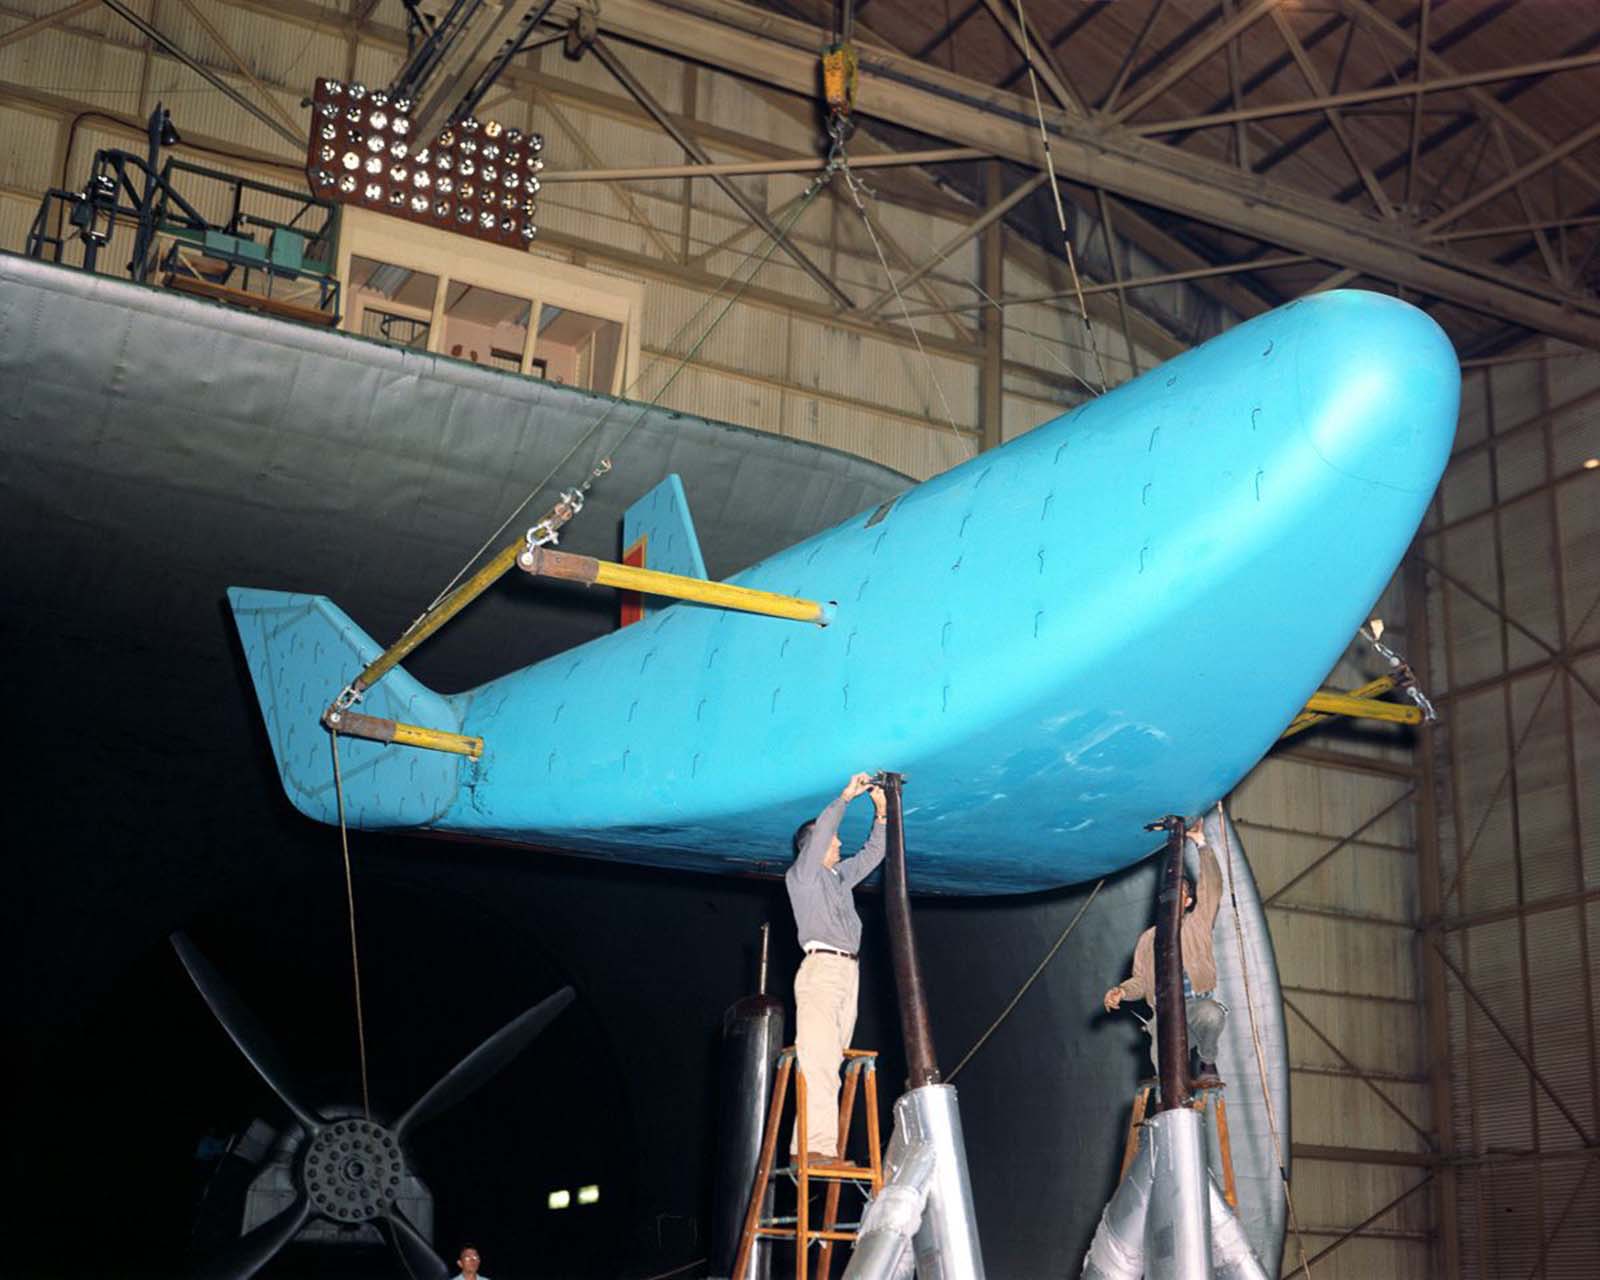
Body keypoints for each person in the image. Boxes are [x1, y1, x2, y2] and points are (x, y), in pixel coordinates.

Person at [785, 771, 887, 1168]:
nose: (840, 843)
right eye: (833, 840)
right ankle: (814, 1150)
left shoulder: (837, 879)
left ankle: (816, 1147)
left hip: (847, 974)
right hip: (822, 971)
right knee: (821, 1062)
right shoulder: (803, 876)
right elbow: (826, 828)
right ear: (816, 846)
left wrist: (881, 816)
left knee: (832, 1062)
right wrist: (846, 798)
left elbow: (872, 855)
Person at [1103, 819, 1227, 1082]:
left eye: (1179, 892)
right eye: (1168, 893)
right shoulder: (1148, 940)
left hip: (1195, 1008)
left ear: (1188, 901)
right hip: (1166, 1014)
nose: (1171, 897)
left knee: (1212, 1014)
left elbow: (1213, 889)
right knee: (1165, 1073)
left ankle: (1207, 1062)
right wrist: (1122, 991)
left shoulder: (1197, 923)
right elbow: (1140, 981)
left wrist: (1202, 845)